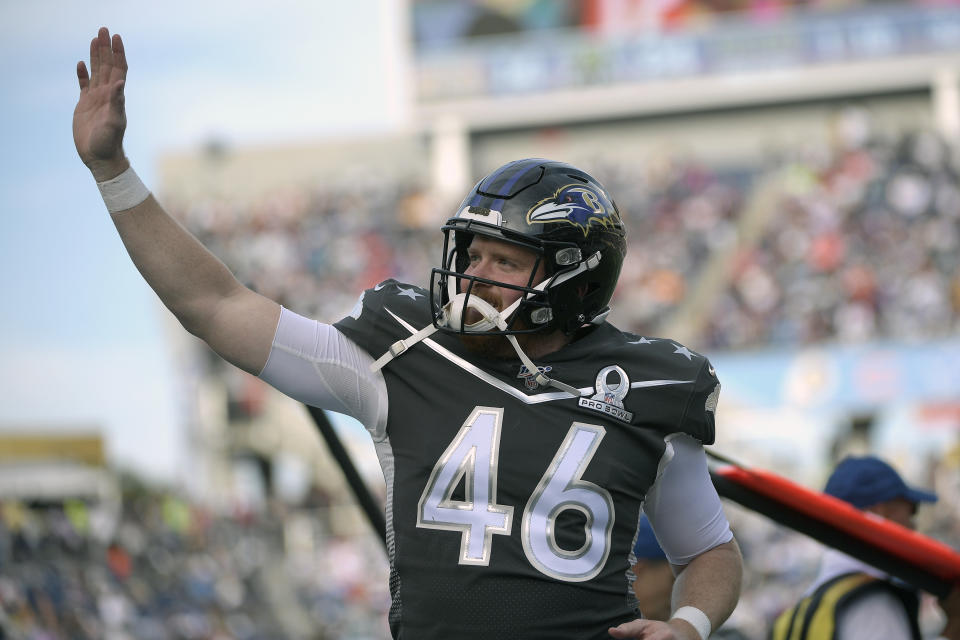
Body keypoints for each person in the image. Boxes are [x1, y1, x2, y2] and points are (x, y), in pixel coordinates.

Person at [73, 27, 742, 640]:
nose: (474, 275)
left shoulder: (648, 384)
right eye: (471, 254)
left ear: (575, 279)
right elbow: (214, 305)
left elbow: (709, 552)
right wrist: (114, 173)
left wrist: (687, 624)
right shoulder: (405, 352)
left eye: (503, 261)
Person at [771, 455, 960, 640]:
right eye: (911, 512)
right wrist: (954, 628)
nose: (913, 526)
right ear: (878, 514)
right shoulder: (874, 606)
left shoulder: (803, 609)